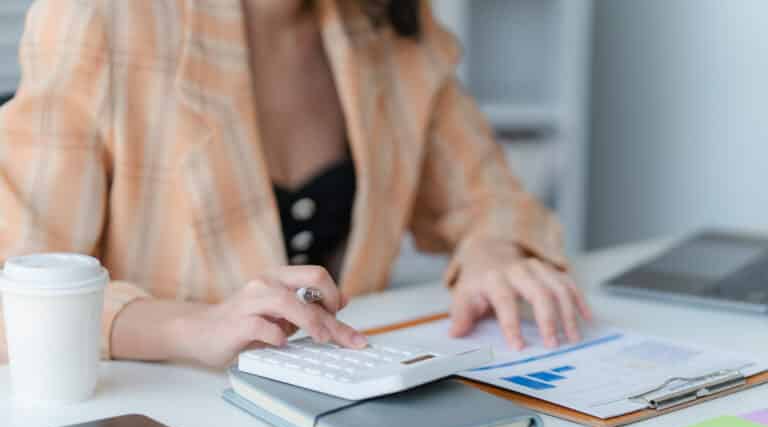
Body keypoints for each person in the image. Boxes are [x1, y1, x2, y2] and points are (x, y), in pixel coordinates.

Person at [0, 0, 591, 368]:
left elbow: (491, 200)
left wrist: (491, 250)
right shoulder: (101, 17)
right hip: (162, 423)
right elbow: (14, 291)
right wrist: (189, 326)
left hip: (344, 425)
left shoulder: (387, 25)